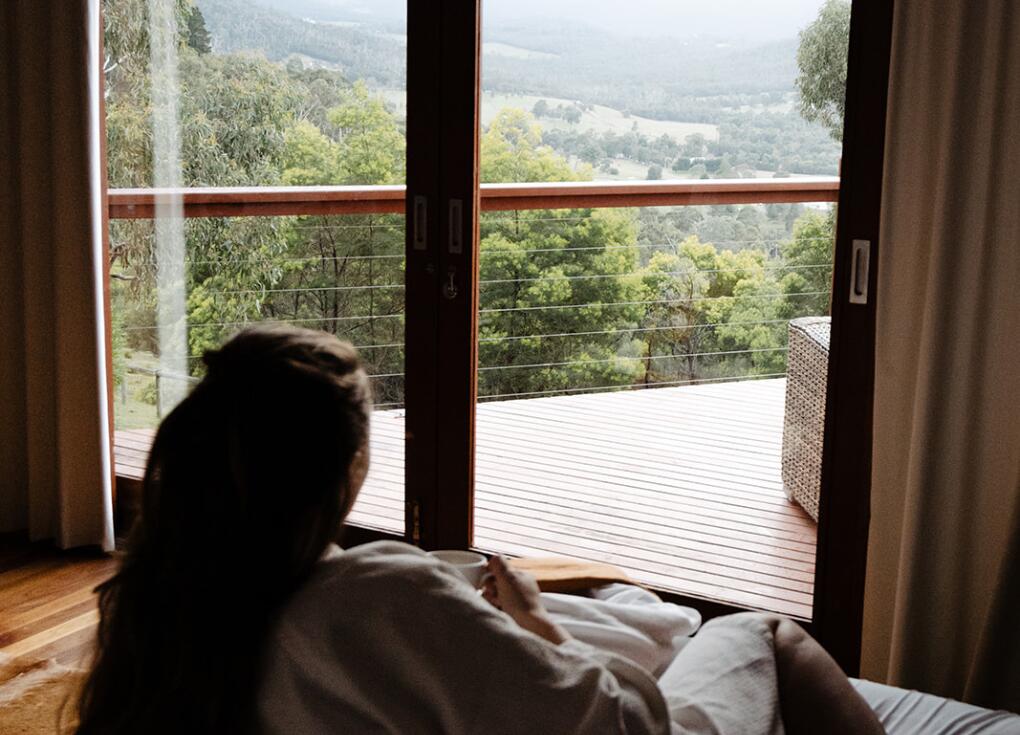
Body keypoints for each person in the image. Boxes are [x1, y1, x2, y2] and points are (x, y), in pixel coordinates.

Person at [76, 327, 883, 734]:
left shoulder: (167, 613)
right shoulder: (376, 597)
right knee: (763, 631)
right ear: (343, 471)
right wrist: (532, 624)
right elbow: (621, 727)